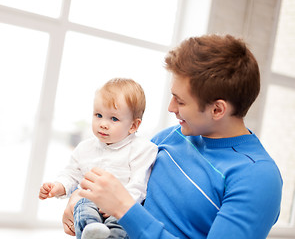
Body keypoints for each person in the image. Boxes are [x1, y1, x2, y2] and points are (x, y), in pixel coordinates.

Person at [62, 34, 283, 238]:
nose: (171, 107)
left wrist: (124, 208)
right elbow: (123, 185)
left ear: (217, 110)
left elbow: (124, 205)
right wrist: (79, 201)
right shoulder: (171, 136)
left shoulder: (257, 178)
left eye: (181, 100)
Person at [39, 78, 158, 239]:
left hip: (120, 208)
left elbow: (138, 185)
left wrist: (117, 206)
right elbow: (72, 174)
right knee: (82, 203)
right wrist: (59, 186)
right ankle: (92, 231)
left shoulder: (141, 149)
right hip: (90, 204)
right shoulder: (85, 148)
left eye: (113, 118)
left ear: (133, 126)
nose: (103, 124)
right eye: (98, 115)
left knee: (122, 224)